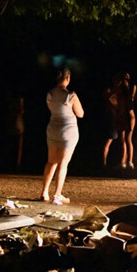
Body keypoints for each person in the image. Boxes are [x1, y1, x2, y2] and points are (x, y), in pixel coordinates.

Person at [41, 69, 84, 205]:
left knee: (51, 161)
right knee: (63, 163)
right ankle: (57, 194)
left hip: (53, 128)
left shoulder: (50, 94)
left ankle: (44, 192)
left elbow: (51, 109)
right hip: (68, 130)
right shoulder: (70, 95)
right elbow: (80, 113)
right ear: (68, 78)